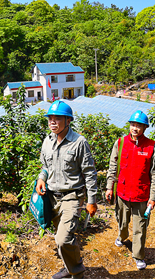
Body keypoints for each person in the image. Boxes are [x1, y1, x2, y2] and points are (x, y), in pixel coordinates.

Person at [35, 101, 98, 279]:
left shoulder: (79, 142)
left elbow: (90, 173)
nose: (52, 122)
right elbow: (45, 166)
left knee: (62, 239)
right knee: (62, 237)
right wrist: (42, 178)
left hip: (72, 196)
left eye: (57, 119)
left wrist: (92, 201)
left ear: (68, 120)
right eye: (50, 119)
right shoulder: (47, 141)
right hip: (52, 197)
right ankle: (67, 266)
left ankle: (77, 273)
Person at [105, 111, 155, 271]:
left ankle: (138, 255)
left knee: (140, 228)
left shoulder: (151, 147)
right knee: (122, 222)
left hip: (142, 196)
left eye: (139, 125)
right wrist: (109, 187)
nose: (135, 128)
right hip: (122, 193)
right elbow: (112, 167)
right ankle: (122, 236)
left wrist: (153, 196)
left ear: (145, 127)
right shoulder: (120, 143)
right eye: (133, 124)